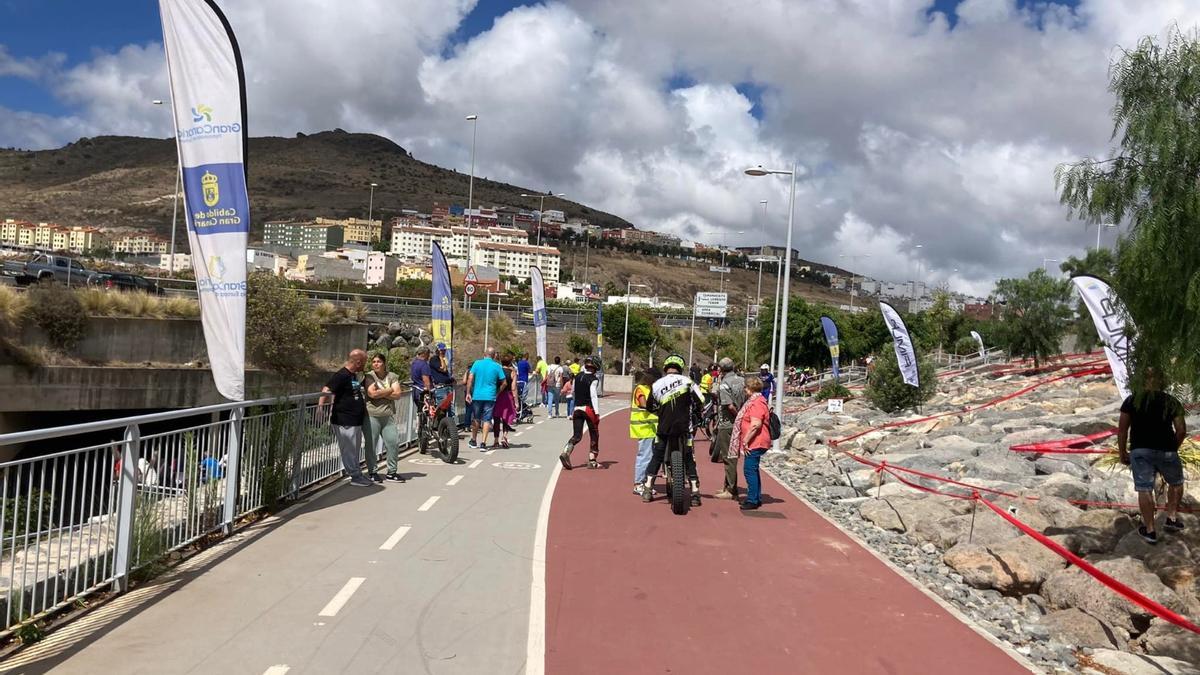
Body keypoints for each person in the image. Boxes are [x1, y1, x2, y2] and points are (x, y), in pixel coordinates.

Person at [1118, 370, 1187, 544]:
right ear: (1162, 381)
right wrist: (1173, 448)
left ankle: (1150, 530)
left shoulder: (1131, 400)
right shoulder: (1171, 401)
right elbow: (1181, 430)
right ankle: (1171, 518)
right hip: (1167, 450)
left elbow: (1122, 429)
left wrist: (1122, 452)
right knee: (1176, 483)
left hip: (1140, 451)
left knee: (1144, 488)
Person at [641, 354, 705, 506]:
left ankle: (648, 489)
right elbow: (701, 401)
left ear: (665, 368)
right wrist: (696, 413)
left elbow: (650, 407)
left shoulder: (657, 384)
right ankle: (695, 492)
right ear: (680, 368)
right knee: (689, 457)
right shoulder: (688, 382)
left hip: (664, 428)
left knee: (657, 455)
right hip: (684, 428)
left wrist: (662, 412)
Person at [321, 349, 373, 487]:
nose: (365, 365)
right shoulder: (342, 375)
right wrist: (320, 408)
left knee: (354, 449)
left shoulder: (353, 375)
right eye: (364, 362)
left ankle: (357, 474)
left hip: (354, 419)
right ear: (358, 362)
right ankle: (355, 476)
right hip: (344, 419)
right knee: (349, 449)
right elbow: (326, 389)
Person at [731, 376, 772, 510]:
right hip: (756, 441)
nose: (744, 390)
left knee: (749, 470)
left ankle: (753, 499)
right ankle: (756, 497)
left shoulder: (756, 403)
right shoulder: (758, 401)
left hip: (756, 441)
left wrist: (746, 440)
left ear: (750, 388)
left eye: (745, 387)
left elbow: (755, 424)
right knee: (753, 469)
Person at [364, 352, 405, 482]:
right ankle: (372, 472)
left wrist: (381, 392)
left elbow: (398, 394)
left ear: (384, 363)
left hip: (388, 416)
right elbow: (372, 394)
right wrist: (389, 391)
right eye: (374, 362)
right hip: (372, 415)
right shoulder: (369, 376)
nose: (376, 364)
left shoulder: (392, 376)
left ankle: (391, 472)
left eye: (379, 361)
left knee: (393, 442)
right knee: (371, 444)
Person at [712, 358, 746, 500]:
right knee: (731, 455)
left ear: (721, 369)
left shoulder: (724, 384)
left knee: (728, 457)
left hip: (727, 423)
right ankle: (727, 485)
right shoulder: (742, 381)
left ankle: (731, 489)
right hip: (737, 422)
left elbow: (729, 405)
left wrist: (738, 417)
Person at [560, 355, 602, 470]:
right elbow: (593, 395)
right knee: (594, 434)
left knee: (577, 435)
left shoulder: (577, 376)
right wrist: (597, 412)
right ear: (596, 367)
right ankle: (592, 460)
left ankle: (566, 452)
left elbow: (573, 392)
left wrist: (576, 403)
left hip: (577, 408)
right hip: (588, 409)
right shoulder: (593, 379)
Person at [466, 347, 507, 451]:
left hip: (477, 395)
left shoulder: (476, 363)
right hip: (490, 396)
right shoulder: (497, 366)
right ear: (494, 356)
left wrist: (468, 392)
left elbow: (470, 378)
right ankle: (483, 443)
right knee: (487, 419)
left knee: (476, 418)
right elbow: (504, 383)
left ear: (484, 354)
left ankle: (474, 440)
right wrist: (497, 392)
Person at [630, 368, 660, 496]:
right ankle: (638, 483)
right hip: (644, 427)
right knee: (645, 456)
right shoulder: (640, 389)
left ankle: (646, 482)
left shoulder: (651, 389)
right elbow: (643, 404)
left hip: (653, 428)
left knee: (652, 456)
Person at [492, 354, 520, 448]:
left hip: (497, 395)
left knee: (496, 418)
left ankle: (496, 440)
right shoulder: (512, 372)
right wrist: (516, 401)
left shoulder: (497, 370)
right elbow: (513, 387)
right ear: (510, 362)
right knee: (506, 417)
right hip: (507, 396)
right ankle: (504, 437)